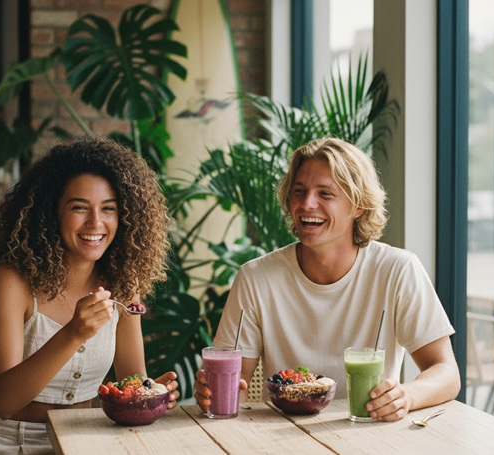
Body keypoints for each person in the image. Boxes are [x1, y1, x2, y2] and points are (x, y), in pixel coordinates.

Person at [193, 137, 460, 422]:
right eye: (299, 191)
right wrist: (213, 394)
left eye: (325, 194)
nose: (307, 204)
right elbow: (236, 387)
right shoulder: (256, 277)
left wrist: (407, 396)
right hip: (280, 436)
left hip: (369, 431)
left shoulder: (397, 270)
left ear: (358, 205)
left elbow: (446, 372)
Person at [0, 137, 178, 454]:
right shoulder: (11, 282)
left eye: (109, 209)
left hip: (85, 442)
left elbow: (132, 376)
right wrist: (74, 333)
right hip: (9, 442)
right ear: (50, 212)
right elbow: (3, 401)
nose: (96, 223)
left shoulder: (122, 284)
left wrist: (147, 393)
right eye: (80, 208)